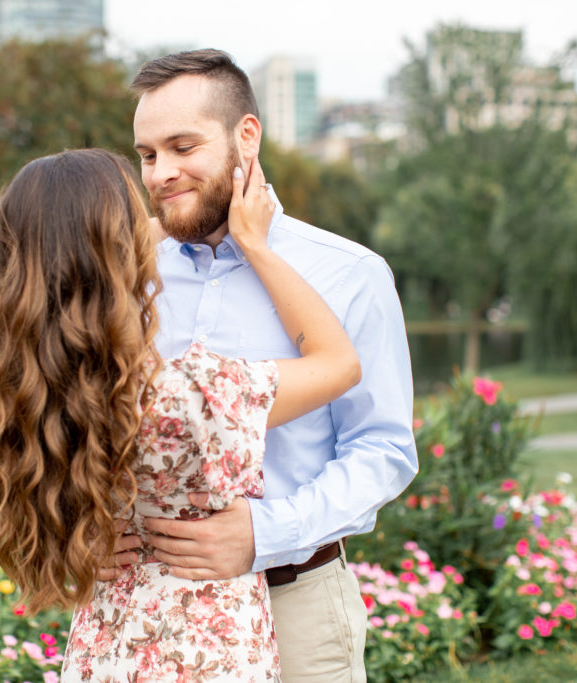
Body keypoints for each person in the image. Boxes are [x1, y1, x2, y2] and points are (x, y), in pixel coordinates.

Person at [0, 147, 361, 681]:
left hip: (102, 649)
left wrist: (109, 237)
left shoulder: (34, 393)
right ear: (120, 251)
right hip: (203, 654)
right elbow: (337, 363)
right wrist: (254, 243)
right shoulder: (188, 397)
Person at [113, 49, 419, 681]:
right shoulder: (126, 275)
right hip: (145, 609)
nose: (161, 173)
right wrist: (87, 525)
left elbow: (383, 450)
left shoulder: (349, 274)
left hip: (295, 608)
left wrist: (265, 532)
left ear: (246, 137)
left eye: (182, 147)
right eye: (147, 155)